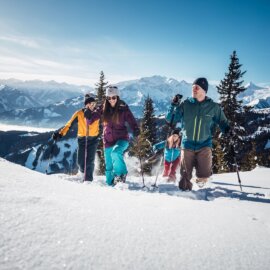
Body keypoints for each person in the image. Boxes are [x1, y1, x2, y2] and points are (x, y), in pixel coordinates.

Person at [166, 77, 230, 191]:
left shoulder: (213, 107)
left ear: (204, 90)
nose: (194, 89)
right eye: (193, 87)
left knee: (204, 176)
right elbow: (170, 119)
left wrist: (228, 130)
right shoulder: (186, 104)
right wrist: (173, 105)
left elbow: (223, 121)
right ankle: (184, 198)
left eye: (197, 87)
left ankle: (202, 184)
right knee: (184, 178)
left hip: (204, 144)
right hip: (187, 144)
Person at [52, 94, 100, 182]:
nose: (93, 105)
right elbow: (69, 124)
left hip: (93, 140)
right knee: (80, 161)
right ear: (86, 104)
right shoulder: (79, 113)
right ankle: (82, 173)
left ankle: (88, 180)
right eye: (90, 104)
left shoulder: (97, 114)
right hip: (82, 139)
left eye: (94, 103)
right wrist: (60, 133)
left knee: (90, 161)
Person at [102, 85, 140, 186]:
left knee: (116, 152)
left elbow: (131, 119)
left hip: (122, 138)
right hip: (108, 140)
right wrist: (89, 114)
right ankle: (110, 185)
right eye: (108, 98)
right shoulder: (104, 108)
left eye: (113, 97)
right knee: (109, 166)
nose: (111, 100)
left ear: (117, 97)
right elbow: (94, 115)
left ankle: (121, 175)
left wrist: (135, 129)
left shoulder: (123, 108)